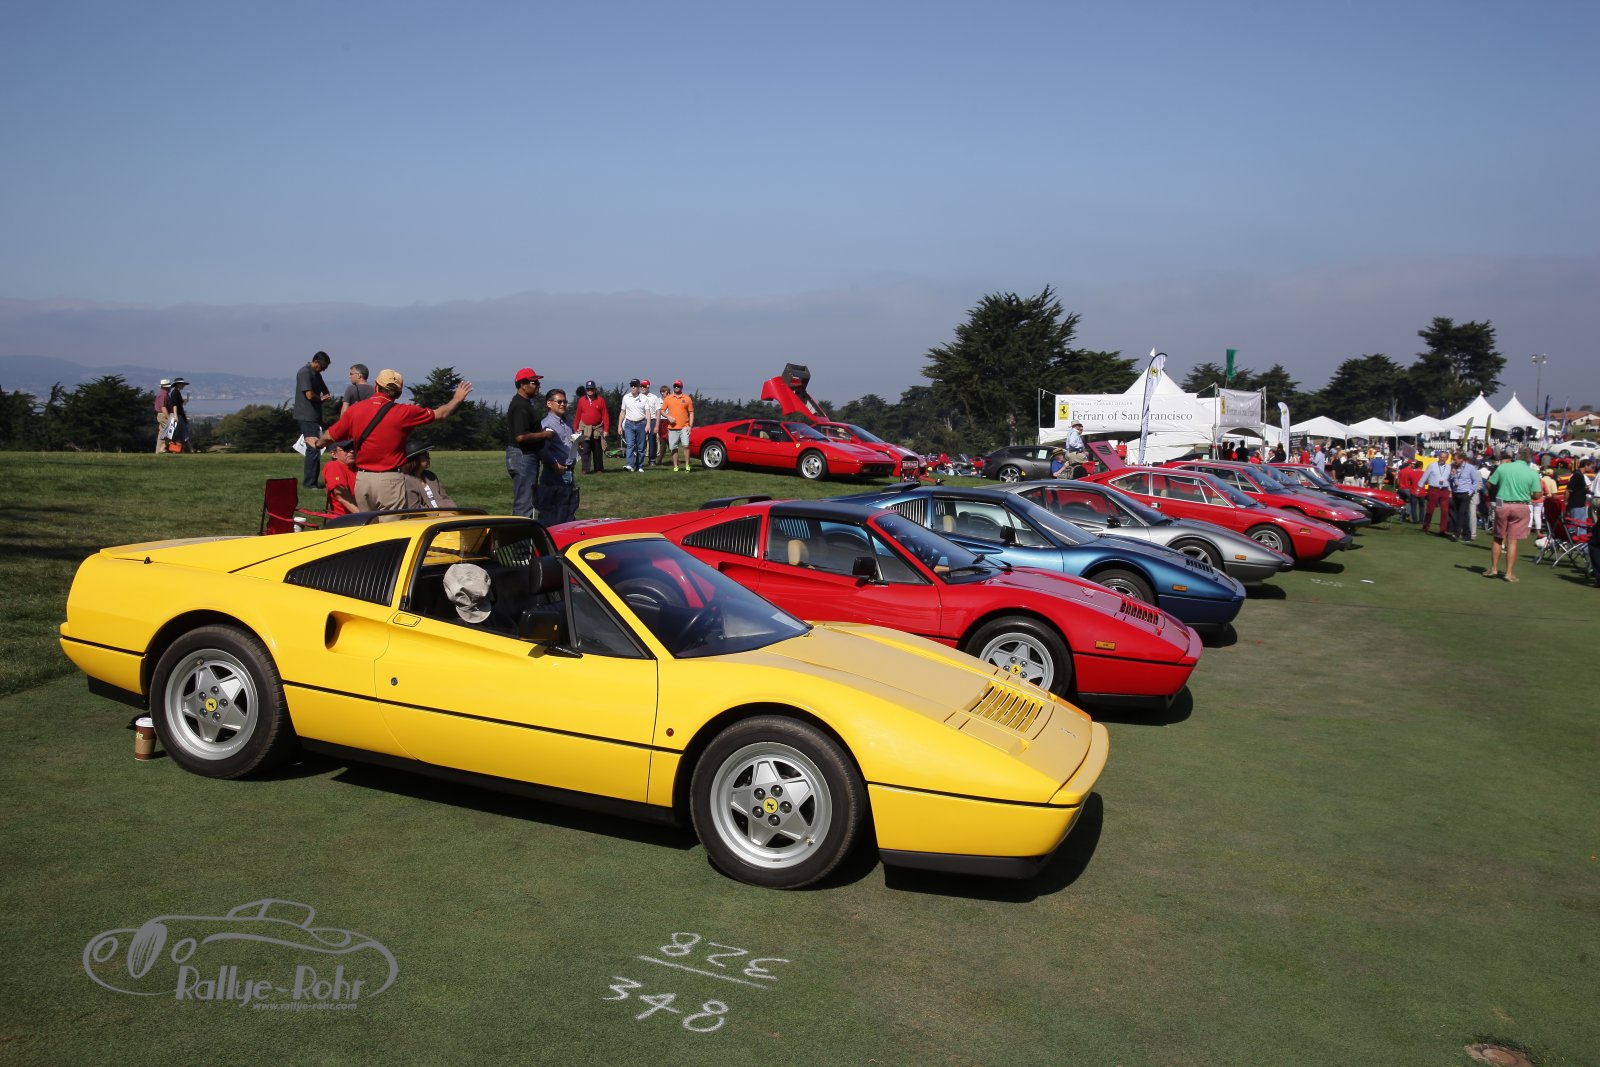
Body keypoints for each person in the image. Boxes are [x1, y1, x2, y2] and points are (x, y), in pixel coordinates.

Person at [315, 368, 472, 512]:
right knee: (390, 529)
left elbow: (329, 437)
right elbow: (441, 414)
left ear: (376, 387)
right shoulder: (405, 412)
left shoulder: (355, 410)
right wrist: (457, 398)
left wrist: (317, 443)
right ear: (398, 393)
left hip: (362, 479)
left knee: (367, 528)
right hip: (390, 480)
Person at [1484, 450, 1544, 582]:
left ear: (1516, 456)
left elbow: (1489, 484)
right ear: (1530, 459)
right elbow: (1537, 495)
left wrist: (1501, 488)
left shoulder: (1503, 467)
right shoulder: (1533, 473)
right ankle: (1509, 573)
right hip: (1521, 505)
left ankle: (1494, 569)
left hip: (1502, 503)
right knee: (1513, 540)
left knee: (1498, 537)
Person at [506, 368, 552, 518]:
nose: (538, 385)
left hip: (524, 456)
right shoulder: (520, 405)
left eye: (538, 382)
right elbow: (521, 436)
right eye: (534, 382)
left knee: (526, 500)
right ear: (522, 385)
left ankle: (521, 532)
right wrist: (545, 434)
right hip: (523, 456)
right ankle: (520, 533)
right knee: (525, 504)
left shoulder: (525, 403)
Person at [534, 389, 580, 525]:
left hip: (568, 471)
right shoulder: (547, 424)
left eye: (565, 401)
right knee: (552, 513)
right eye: (559, 401)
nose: (563, 404)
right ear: (549, 404)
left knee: (567, 510)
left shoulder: (566, 423)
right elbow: (543, 448)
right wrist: (555, 465)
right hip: (555, 473)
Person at [295, 352, 333, 488]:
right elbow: (309, 395)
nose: (322, 370)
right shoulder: (304, 372)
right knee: (313, 448)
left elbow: (324, 389)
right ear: (315, 361)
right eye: (322, 367)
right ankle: (310, 483)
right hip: (306, 416)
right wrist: (322, 398)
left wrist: (325, 395)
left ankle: (312, 482)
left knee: (316, 448)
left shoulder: (317, 374)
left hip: (314, 415)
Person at [401, 443, 457, 510]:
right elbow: (414, 508)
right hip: (427, 515)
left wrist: (455, 511)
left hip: (444, 513)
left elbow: (445, 498)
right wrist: (438, 514)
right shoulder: (407, 481)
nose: (429, 458)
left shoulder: (430, 475)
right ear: (414, 459)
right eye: (425, 455)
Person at [573, 380, 611, 474]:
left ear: (595, 389)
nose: (590, 391)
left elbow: (605, 415)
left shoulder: (600, 400)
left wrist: (606, 429)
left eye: (591, 389)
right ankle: (585, 469)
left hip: (597, 429)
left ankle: (599, 469)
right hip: (585, 429)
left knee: (597, 450)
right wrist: (576, 428)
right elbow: (578, 415)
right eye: (588, 389)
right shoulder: (581, 400)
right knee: (585, 450)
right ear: (586, 390)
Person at [661, 379, 695, 472]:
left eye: (678, 386)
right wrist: (668, 417)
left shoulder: (687, 398)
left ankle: (687, 465)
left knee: (686, 445)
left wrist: (690, 426)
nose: (676, 387)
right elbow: (662, 411)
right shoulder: (668, 398)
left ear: (681, 387)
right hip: (672, 428)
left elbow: (691, 412)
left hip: (685, 427)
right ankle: (676, 466)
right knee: (673, 448)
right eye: (675, 385)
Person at [1417, 453, 1453, 535]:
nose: (1442, 459)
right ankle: (1426, 526)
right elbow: (1425, 476)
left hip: (1444, 490)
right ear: (1438, 457)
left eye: (1444, 457)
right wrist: (1419, 487)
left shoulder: (1449, 467)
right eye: (1441, 457)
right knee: (1430, 510)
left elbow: (1449, 480)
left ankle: (1443, 530)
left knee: (1445, 511)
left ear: (1447, 458)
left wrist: (1450, 490)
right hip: (1434, 489)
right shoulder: (1432, 465)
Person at [618, 378, 650, 472]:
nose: (633, 387)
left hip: (641, 423)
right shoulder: (626, 397)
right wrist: (619, 425)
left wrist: (648, 424)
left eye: (635, 386)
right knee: (630, 445)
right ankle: (630, 465)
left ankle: (640, 466)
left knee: (641, 446)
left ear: (639, 387)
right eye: (631, 385)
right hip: (629, 424)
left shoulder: (644, 398)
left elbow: (647, 412)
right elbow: (622, 412)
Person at [1446, 453, 1478, 542]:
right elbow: (1450, 480)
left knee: (1461, 513)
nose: (1454, 461)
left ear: (1461, 459)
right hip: (1456, 492)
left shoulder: (1470, 468)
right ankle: (1467, 535)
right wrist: (1452, 475)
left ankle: (1456, 533)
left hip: (1465, 493)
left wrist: (1470, 492)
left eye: (1455, 459)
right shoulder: (1453, 467)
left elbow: (1475, 481)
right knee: (1462, 515)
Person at [322, 440, 358, 515]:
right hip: (348, 518)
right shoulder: (334, 466)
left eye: (353, 448)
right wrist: (363, 515)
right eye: (346, 449)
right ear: (334, 454)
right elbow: (341, 496)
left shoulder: (358, 467)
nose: (352, 451)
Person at [165, 376, 190, 453]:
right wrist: (175, 416)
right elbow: (174, 405)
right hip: (177, 415)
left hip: (179, 414)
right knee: (179, 433)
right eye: (182, 384)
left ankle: (178, 449)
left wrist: (185, 400)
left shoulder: (177, 392)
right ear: (178, 384)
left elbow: (179, 404)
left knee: (180, 433)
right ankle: (176, 449)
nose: (183, 386)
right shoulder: (175, 393)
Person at [640, 378, 662, 466]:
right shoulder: (638, 396)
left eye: (644, 386)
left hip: (652, 420)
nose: (642, 388)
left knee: (652, 440)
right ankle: (639, 460)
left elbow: (658, 411)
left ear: (648, 387)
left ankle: (652, 460)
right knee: (640, 441)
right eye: (641, 386)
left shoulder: (654, 397)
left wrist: (657, 425)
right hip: (641, 420)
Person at [1568, 459, 1593, 524]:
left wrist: (1588, 491)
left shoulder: (1580, 475)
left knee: (1582, 525)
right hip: (1576, 505)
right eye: (1591, 467)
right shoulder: (1577, 475)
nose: (1591, 469)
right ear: (1586, 466)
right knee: (1577, 525)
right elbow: (1568, 490)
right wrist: (1566, 503)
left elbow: (1579, 489)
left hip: (1580, 505)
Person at [153, 378, 170, 453]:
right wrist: (168, 418)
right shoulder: (163, 395)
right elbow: (163, 407)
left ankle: (158, 450)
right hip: (163, 414)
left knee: (162, 432)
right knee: (170, 431)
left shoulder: (162, 394)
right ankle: (163, 447)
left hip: (161, 414)